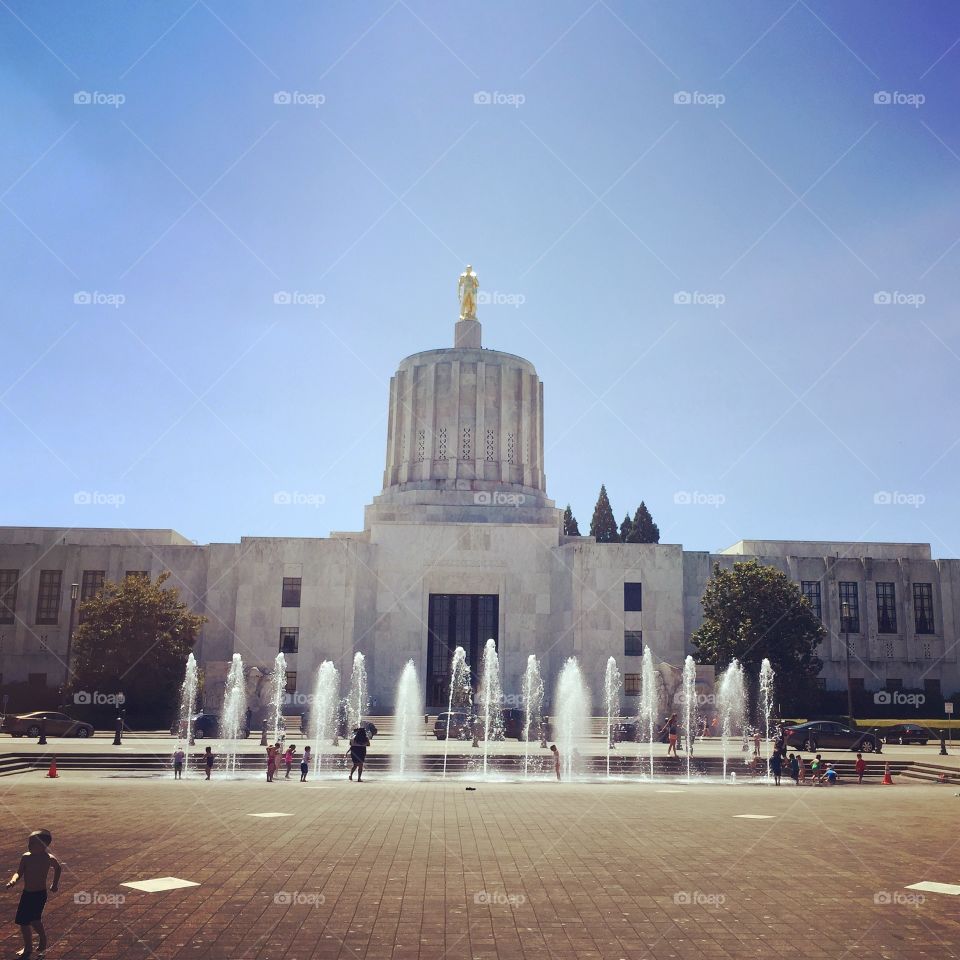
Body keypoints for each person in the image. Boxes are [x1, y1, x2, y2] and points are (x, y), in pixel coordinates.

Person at [6, 829, 61, 960]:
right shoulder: (26, 857)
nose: (29, 845)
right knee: (23, 922)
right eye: (29, 842)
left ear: (44, 845)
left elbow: (58, 868)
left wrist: (54, 884)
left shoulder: (48, 858)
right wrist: (13, 880)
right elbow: (19, 872)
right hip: (27, 894)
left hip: (39, 894)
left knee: (35, 920)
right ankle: (28, 946)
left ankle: (43, 937)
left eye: (32, 843)